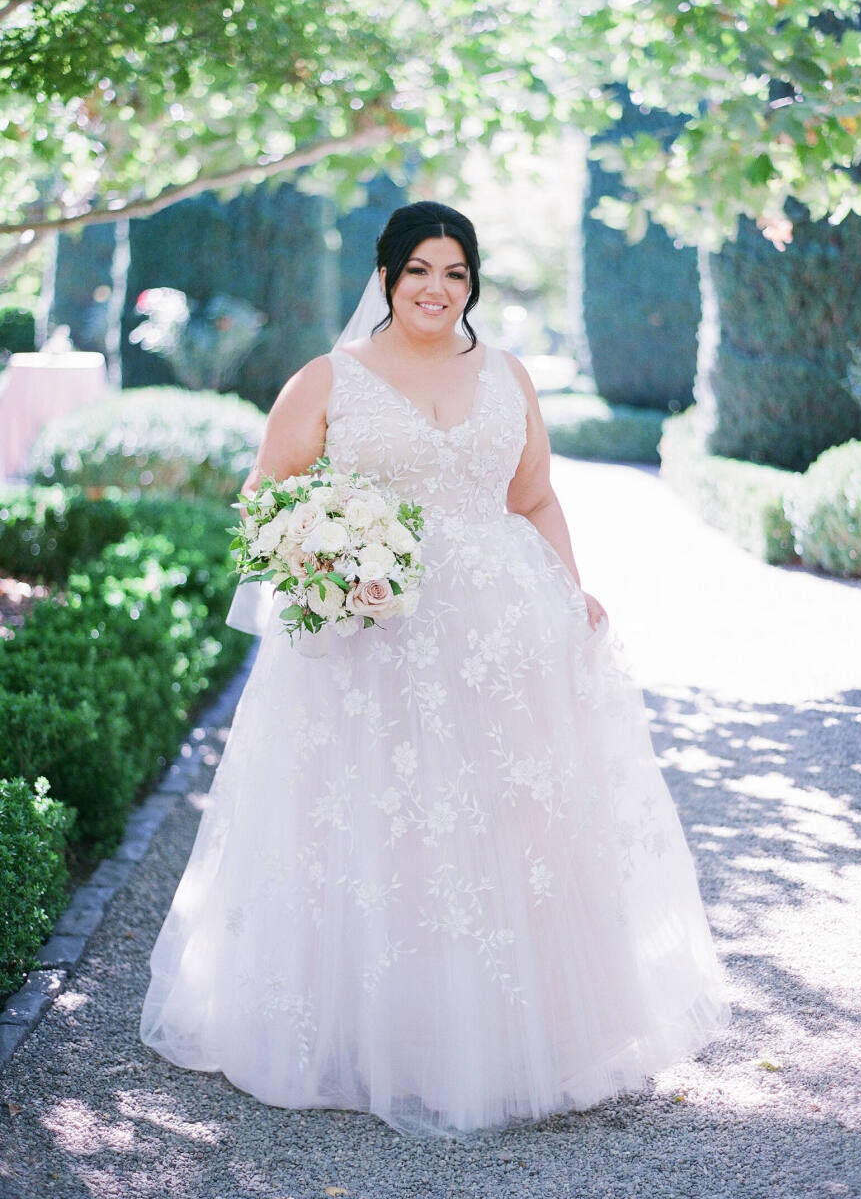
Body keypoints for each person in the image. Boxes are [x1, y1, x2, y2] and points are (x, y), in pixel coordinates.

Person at [140, 200, 730, 1138]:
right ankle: (388, 1036)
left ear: (473, 285)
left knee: (506, 825)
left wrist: (570, 600)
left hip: (506, 636)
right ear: (385, 277)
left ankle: (516, 1033)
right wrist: (334, 570)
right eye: (420, 269)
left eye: (456, 273)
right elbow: (266, 504)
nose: (437, 289)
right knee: (389, 822)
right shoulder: (327, 379)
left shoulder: (508, 375)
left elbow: (534, 497)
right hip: (374, 643)